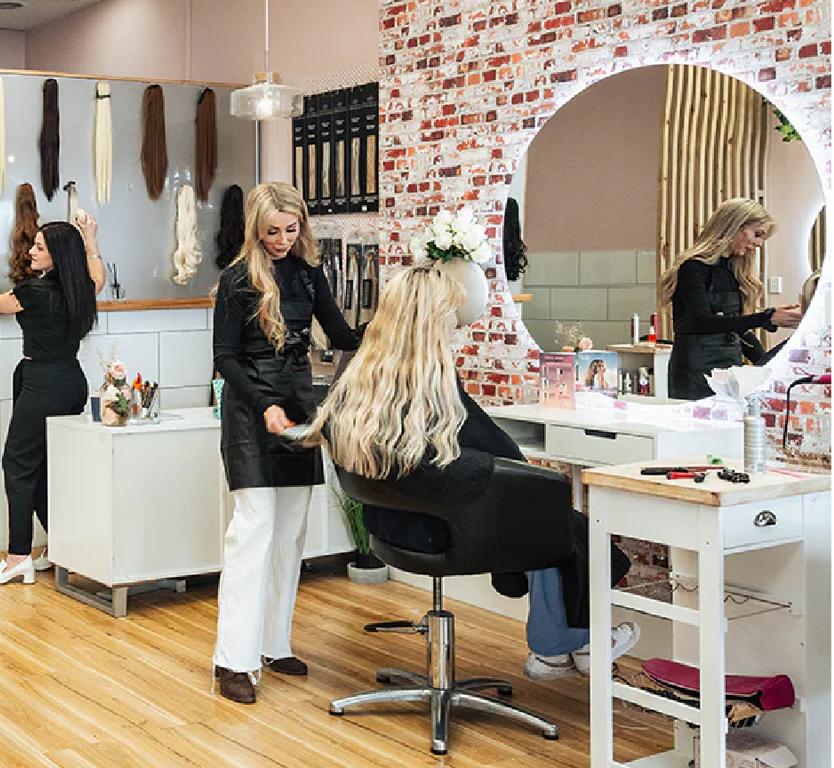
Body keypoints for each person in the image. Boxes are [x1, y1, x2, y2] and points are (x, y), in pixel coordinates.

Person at [305, 266, 640, 681]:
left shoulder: (359, 374)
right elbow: (504, 451)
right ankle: (571, 644)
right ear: (432, 316)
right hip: (440, 531)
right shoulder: (433, 380)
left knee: (545, 515)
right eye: (450, 310)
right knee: (555, 517)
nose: (457, 320)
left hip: (390, 526)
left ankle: (568, 644)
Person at [209, 182, 358, 704]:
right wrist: (261, 404)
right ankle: (233, 661)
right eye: (272, 231)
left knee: (291, 531)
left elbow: (339, 333)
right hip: (252, 409)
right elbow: (225, 356)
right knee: (253, 530)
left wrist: (393, 333)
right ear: (255, 227)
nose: (281, 239)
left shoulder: (307, 272)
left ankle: (273, 643)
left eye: (291, 230)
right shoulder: (234, 279)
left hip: (296, 405)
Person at [0, 212, 104, 585]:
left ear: (57, 255)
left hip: (41, 381)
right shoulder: (81, 288)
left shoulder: (35, 292)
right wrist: (90, 239)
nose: (31, 252)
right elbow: (98, 276)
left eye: (40, 247)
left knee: (18, 464)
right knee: (43, 467)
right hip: (71, 381)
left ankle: (17, 557)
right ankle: (62, 546)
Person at [661, 198, 801, 400]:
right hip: (695, 372)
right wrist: (765, 318)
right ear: (735, 225)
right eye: (757, 234)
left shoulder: (731, 272)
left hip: (729, 369)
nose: (759, 243)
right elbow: (700, 322)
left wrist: (763, 361)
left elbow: (733, 325)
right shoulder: (693, 269)